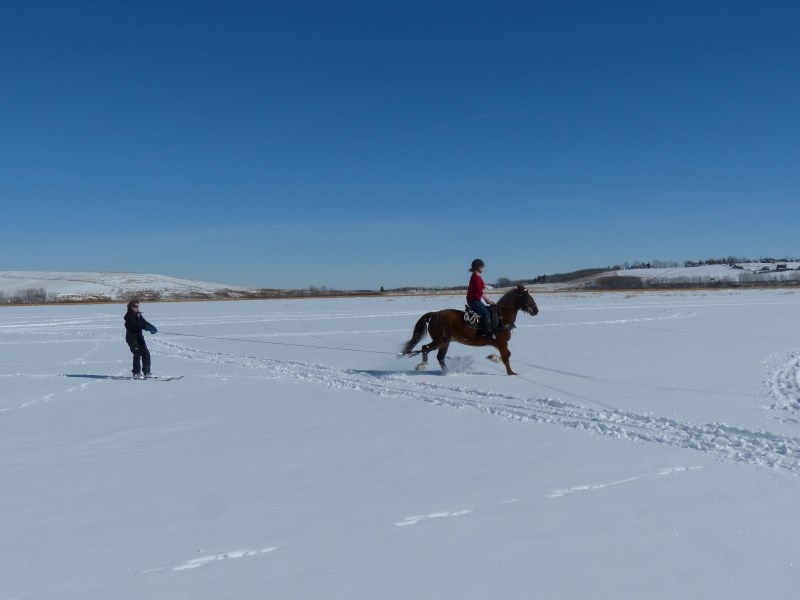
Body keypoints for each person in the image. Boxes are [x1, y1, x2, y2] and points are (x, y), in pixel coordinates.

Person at [124, 299, 157, 379]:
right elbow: (136, 324)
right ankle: (136, 373)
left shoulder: (138, 314)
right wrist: (146, 327)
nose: (137, 308)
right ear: (130, 307)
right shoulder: (128, 316)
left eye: (138, 306)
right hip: (131, 338)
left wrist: (151, 327)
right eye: (135, 306)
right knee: (137, 353)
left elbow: (143, 322)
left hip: (139, 337)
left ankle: (147, 372)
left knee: (146, 353)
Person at [467, 258, 494, 337]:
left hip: (476, 299)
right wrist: (487, 299)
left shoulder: (478, 276)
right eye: (481, 266)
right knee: (486, 314)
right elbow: (479, 291)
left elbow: (480, 290)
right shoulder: (475, 277)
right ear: (476, 267)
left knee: (487, 311)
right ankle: (486, 334)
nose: (483, 267)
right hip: (473, 300)